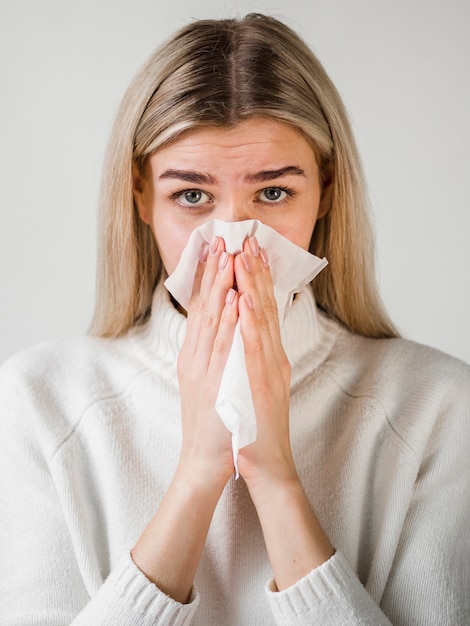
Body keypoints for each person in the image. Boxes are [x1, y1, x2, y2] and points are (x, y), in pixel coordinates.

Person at [0, 13, 469, 626]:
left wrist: (275, 478)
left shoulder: (435, 406)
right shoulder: (41, 400)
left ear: (325, 190)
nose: (231, 240)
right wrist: (198, 471)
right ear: (140, 193)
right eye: (191, 196)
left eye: (273, 193)